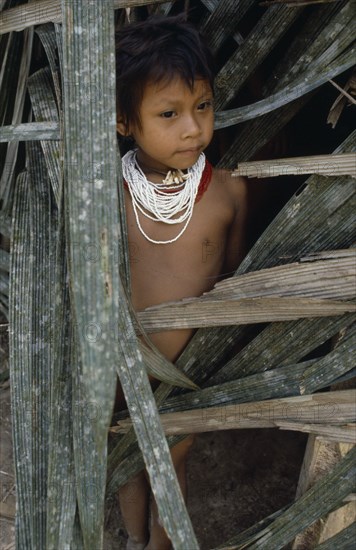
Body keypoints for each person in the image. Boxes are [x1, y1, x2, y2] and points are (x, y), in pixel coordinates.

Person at [115, 14, 248, 550]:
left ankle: (161, 545)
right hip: (122, 365)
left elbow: (232, 281)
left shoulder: (227, 194)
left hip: (186, 375)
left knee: (171, 464)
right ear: (125, 121)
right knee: (124, 458)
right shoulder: (109, 196)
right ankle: (131, 536)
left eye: (203, 107)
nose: (193, 128)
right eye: (168, 113)